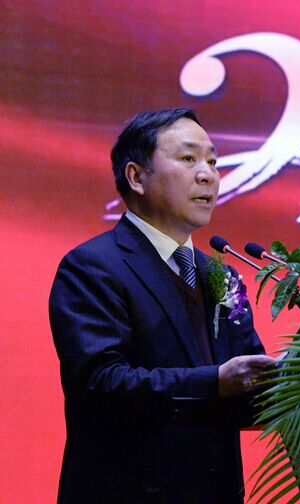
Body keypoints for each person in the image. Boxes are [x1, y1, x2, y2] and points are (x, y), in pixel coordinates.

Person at [49, 108, 275, 503]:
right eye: (188, 158)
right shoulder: (92, 266)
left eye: (213, 162)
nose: (208, 175)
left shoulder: (221, 274)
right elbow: (100, 385)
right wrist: (215, 382)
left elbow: (248, 388)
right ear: (136, 177)